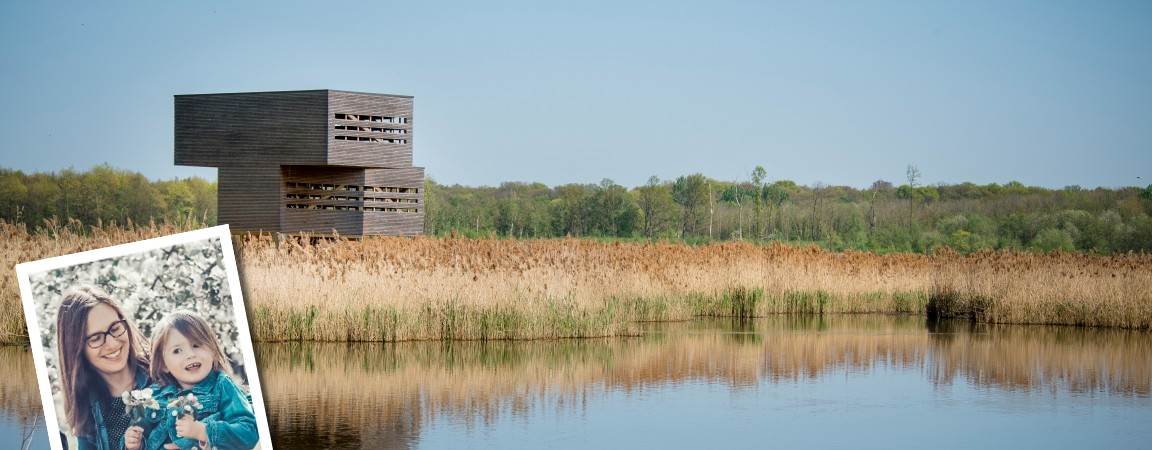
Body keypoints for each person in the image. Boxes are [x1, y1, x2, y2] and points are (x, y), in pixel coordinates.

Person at [144, 311, 258, 450]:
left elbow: (249, 432)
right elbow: (145, 433)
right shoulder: (156, 395)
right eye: (177, 351)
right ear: (163, 364)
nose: (190, 355)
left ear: (213, 349)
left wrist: (203, 431)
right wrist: (134, 443)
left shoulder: (222, 385)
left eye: (196, 345)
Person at [56, 287, 152, 450]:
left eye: (115, 328)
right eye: (96, 338)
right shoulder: (86, 410)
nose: (113, 343)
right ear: (76, 349)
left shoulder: (162, 370)